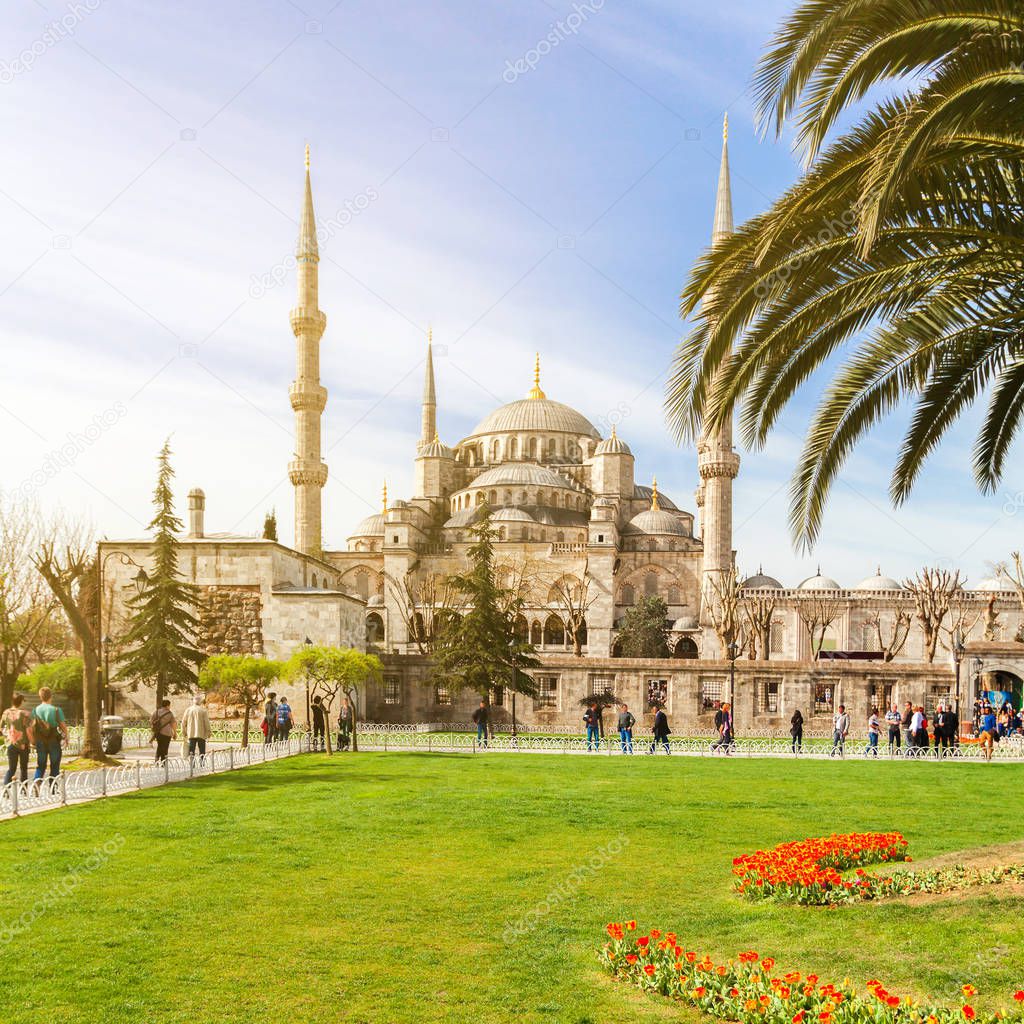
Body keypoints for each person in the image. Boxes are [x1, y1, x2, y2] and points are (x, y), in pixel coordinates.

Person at [32, 687, 68, 780]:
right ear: (51, 696)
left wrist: (32, 741)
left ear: (40, 697)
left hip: (40, 740)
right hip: (53, 740)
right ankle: (53, 787)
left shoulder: (35, 710)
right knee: (55, 765)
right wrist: (67, 737)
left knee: (40, 765)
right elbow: (63, 726)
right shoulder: (56, 710)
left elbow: (31, 726)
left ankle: (37, 782)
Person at [2, 694, 33, 784]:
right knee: (23, 768)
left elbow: (1, 727)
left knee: (11, 768)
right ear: (21, 702)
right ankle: (24, 789)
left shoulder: (6, 712)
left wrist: (8, 736)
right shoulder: (24, 714)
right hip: (23, 744)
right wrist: (33, 742)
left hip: (11, 744)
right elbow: (28, 730)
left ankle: (6, 790)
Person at [180, 694, 211, 758]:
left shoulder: (188, 710)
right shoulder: (203, 711)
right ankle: (202, 763)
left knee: (191, 750)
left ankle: (192, 764)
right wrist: (209, 732)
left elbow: (183, 722)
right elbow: (207, 723)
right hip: (201, 733)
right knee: (202, 750)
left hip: (191, 733)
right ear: (200, 702)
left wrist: (184, 732)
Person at [150, 699, 176, 763]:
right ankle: (164, 762)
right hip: (167, 733)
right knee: (165, 748)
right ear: (167, 705)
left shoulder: (156, 712)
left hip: (158, 733)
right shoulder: (169, 713)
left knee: (159, 746)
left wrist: (154, 729)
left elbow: (151, 721)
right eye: (169, 705)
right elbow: (173, 724)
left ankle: (156, 761)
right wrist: (175, 733)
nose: (170, 707)